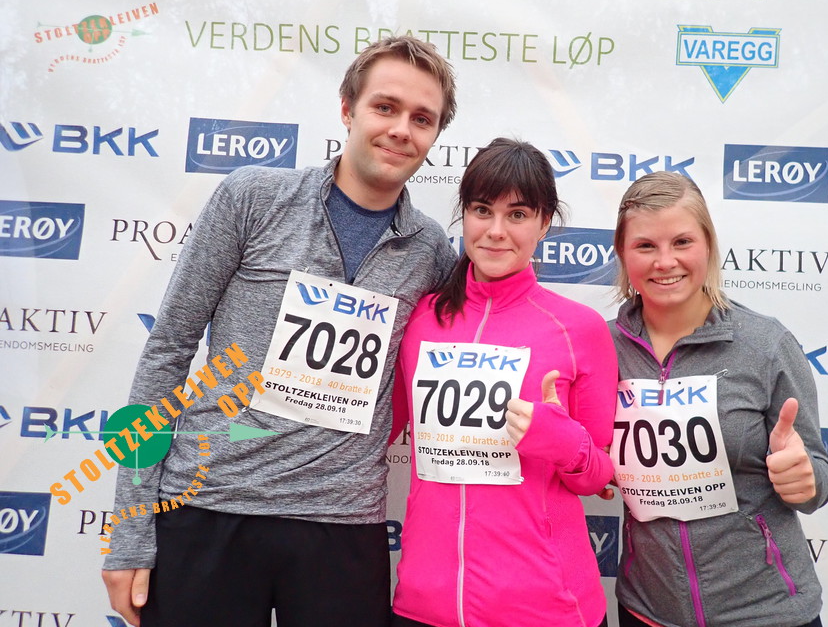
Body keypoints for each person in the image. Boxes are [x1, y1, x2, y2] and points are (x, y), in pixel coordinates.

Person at [101, 36, 459, 627]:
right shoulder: (253, 198)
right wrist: (130, 527)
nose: (401, 129)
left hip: (342, 529)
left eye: (422, 119)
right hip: (210, 506)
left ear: (435, 135)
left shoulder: (431, 253)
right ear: (347, 108)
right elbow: (168, 351)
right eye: (385, 107)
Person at [389, 138, 618, 627]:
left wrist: (562, 441)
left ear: (544, 223)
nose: (496, 231)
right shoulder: (420, 319)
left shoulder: (579, 330)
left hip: (547, 607)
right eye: (481, 210)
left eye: (517, 215)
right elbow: (374, 433)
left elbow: (599, 476)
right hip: (424, 603)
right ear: (464, 215)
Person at [608, 172, 828, 627]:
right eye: (646, 246)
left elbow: (819, 478)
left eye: (682, 242)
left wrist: (805, 480)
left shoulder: (766, 344)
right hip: (647, 611)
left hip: (767, 614)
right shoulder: (602, 347)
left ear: (708, 246)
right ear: (623, 254)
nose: (665, 261)